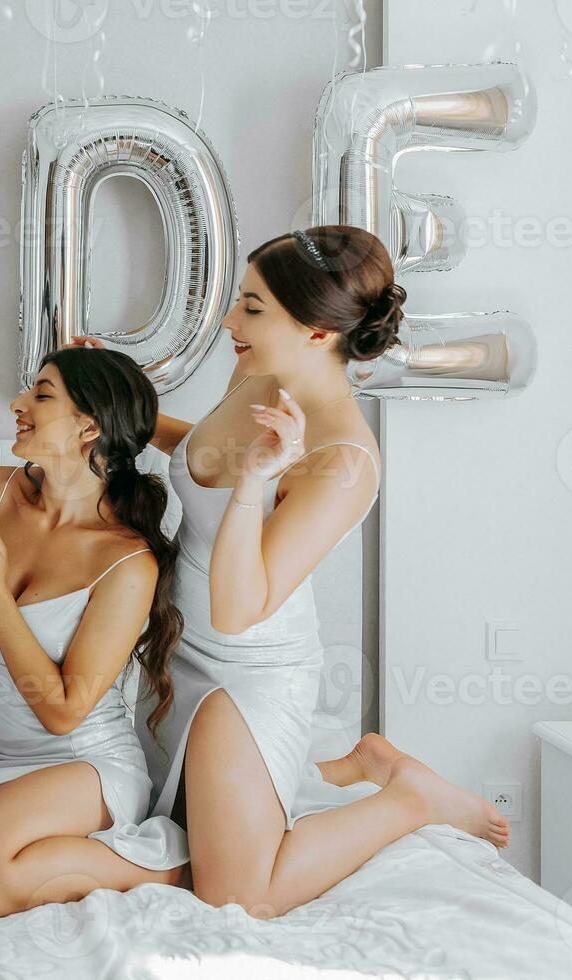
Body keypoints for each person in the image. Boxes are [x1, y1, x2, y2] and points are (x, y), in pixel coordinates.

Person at [77, 225, 509, 918]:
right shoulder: (256, 375)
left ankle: (407, 799)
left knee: (239, 891)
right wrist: (120, 398)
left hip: (242, 677)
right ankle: (349, 765)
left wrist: (256, 486)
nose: (228, 322)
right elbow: (205, 458)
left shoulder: (342, 460)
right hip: (175, 654)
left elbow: (240, 607)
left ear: (315, 332)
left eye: (251, 308)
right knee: (182, 822)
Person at [0, 347, 189, 917]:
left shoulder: (127, 562)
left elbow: (64, 712)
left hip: (84, 763)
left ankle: (173, 865)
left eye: (42, 395)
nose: (19, 405)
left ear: (89, 427)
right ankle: (45, 851)